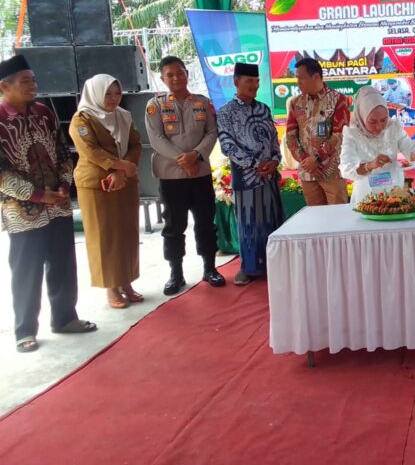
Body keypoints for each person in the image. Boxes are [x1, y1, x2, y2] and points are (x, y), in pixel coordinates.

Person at [0, 56, 97, 352]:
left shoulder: (44, 112)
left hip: (58, 204)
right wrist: (38, 195)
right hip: (22, 211)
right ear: (4, 87)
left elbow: (63, 152)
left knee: (64, 263)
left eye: (34, 80)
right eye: (25, 81)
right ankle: (25, 330)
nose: (33, 86)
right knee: (26, 270)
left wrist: (64, 186)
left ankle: (65, 318)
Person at [145, 56, 225, 296]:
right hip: (172, 177)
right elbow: (156, 139)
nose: (176, 78)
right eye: (170, 75)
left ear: (187, 74)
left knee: (206, 223)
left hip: (200, 173)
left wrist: (196, 156)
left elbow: (212, 132)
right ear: (162, 79)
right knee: (173, 226)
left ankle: (210, 269)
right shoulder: (155, 105)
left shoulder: (202, 103)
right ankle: (176, 274)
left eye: (180, 73)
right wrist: (183, 160)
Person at [70, 74, 142, 309]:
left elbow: (135, 144)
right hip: (97, 184)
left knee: (127, 233)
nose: (113, 98)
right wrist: (118, 166)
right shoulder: (82, 118)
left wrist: (123, 170)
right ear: (95, 93)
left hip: (125, 182)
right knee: (104, 236)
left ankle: (127, 282)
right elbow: (90, 150)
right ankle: (111, 287)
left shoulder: (123, 116)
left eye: (117, 93)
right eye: (107, 94)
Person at [217, 62, 285, 285]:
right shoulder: (226, 112)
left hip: (269, 176)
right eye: (249, 81)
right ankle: (249, 268)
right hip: (246, 177)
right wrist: (255, 164)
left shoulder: (264, 109)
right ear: (236, 81)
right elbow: (227, 145)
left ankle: (276, 266)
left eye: (256, 81)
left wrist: (274, 160)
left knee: (272, 222)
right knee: (248, 224)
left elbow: (274, 140)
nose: (254, 86)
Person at [339, 86, 415, 204]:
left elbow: (410, 148)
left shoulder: (393, 127)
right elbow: (346, 169)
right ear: (362, 116)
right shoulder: (352, 135)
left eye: (384, 120)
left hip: (396, 192)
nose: (379, 127)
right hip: (366, 197)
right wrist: (370, 166)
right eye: (372, 122)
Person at [285, 57, 350, 205]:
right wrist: (306, 162)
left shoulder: (338, 99)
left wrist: (317, 159)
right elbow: (290, 137)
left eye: (301, 78)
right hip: (308, 174)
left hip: (332, 172)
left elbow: (340, 134)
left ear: (315, 77)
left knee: (338, 215)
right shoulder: (296, 103)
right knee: (315, 217)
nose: (298, 82)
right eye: (297, 78)